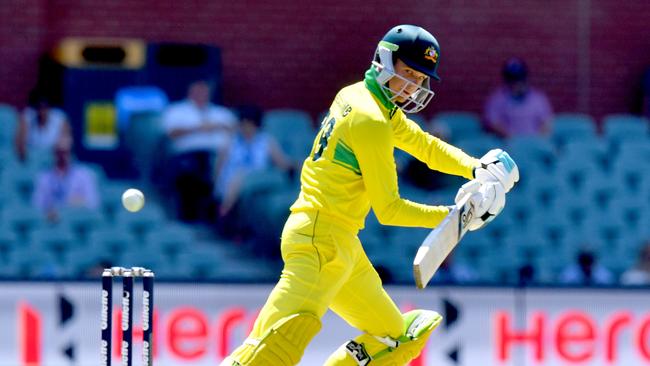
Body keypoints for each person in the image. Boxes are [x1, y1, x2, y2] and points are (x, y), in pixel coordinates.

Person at [221, 24, 519, 366]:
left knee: (396, 339)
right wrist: (456, 217)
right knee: (273, 347)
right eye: (409, 74)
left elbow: (424, 145)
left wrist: (475, 168)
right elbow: (389, 210)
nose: (416, 86)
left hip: (341, 244)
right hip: (319, 241)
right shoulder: (371, 121)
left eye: (422, 79)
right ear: (384, 61)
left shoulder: (362, 97)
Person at [162, 80, 237, 222]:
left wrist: (217, 127)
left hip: (219, 154)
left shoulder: (221, 112)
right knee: (190, 169)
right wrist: (199, 128)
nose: (201, 95)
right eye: (198, 92)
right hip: (188, 154)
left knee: (224, 168)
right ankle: (189, 217)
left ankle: (215, 217)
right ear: (190, 93)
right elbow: (171, 133)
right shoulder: (177, 110)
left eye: (204, 92)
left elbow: (237, 131)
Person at [214, 105, 295, 221]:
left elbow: (282, 162)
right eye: (243, 124)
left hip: (255, 178)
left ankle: (224, 210)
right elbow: (220, 165)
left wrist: (296, 164)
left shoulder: (266, 141)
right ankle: (227, 212)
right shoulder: (231, 140)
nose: (246, 128)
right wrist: (216, 183)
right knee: (236, 177)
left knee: (241, 177)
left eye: (250, 125)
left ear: (256, 125)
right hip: (231, 179)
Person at [32, 136, 99, 223]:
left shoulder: (85, 175)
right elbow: (37, 205)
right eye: (59, 152)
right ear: (54, 153)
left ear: (72, 153)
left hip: (78, 222)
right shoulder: (44, 178)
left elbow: (93, 203)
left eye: (66, 152)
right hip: (52, 223)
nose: (62, 156)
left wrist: (72, 205)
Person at [483, 57, 554, 138]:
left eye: (520, 79)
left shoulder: (538, 98)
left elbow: (547, 123)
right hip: (506, 144)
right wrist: (510, 137)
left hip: (533, 144)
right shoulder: (497, 99)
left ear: (526, 78)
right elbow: (492, 123)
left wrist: (536, 141)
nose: (516, 83)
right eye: (512, 79)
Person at [15, 92, 71, 163]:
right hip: (32, 157)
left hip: (53, 157)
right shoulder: (28, 117)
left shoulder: (60, 118)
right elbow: (20, 142)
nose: (42, 111)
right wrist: (26, 160)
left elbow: (65, 142)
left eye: (45, 107)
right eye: (39, 107)